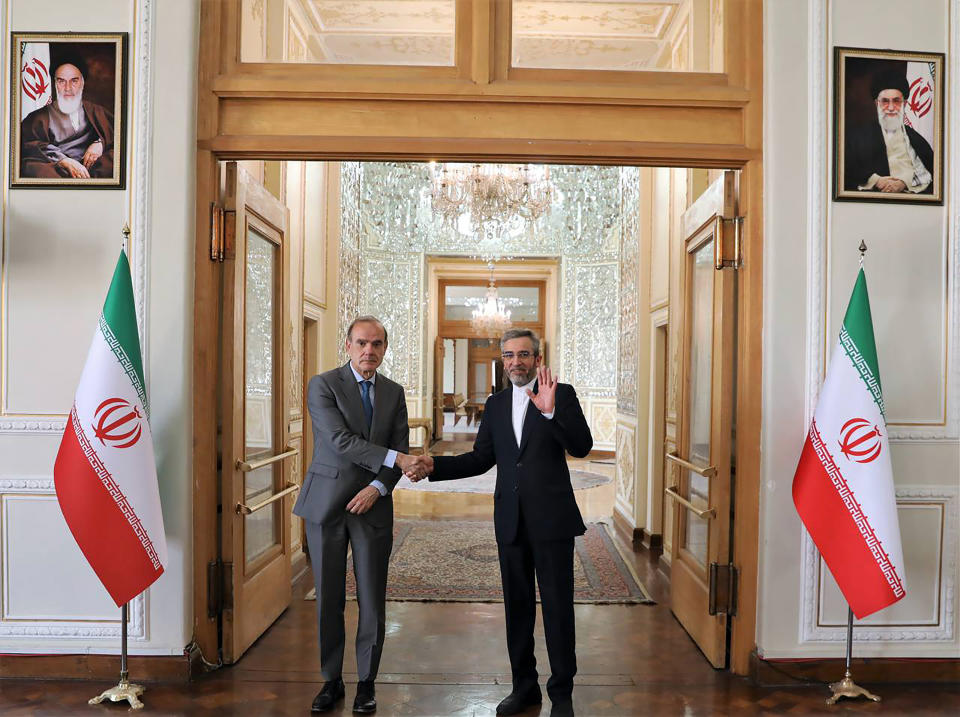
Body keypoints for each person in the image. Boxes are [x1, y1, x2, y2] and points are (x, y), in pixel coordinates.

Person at [408, 328, 592, 717]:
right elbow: (480, 459)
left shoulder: (563, 394)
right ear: (502, 360)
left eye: (524, 354)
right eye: (508, 355)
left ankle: (562, 695)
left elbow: (581, 446)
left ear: (537, 360)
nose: (515, 362)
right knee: (518, 608)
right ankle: (523, 687)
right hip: (510, 521)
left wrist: (550, 411)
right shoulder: (495, 404)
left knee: (558, 609)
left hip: (553, 521)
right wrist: (433, 466)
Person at [293, 316, 428, 714]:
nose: (369, 351)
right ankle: (331, 680)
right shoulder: (323, 385)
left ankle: (366, 683)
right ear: (348, 345)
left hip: (373, 505)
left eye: (377, 344)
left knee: (372, 597)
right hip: (327, 503)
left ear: (385, 348)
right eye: (362, 343)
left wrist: (379, 487)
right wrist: (399, 458)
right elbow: (339, 440)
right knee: (329, 598)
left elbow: (398, 441)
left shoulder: (394, 392)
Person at [19, 59, 114, 179]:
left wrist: (99, 143)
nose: (67, 88)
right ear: (55, 84)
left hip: (92, 167)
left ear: (82, 84)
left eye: (74, 81)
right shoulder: (37, 117)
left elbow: (120, 134)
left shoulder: (96, 111)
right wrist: (63, 160)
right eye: (61, 81)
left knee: (115, 159)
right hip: (57, 168)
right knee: (34, 169)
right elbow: (29, 145)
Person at [844, 71, 933, 194]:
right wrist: (876, 181)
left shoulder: (916, 139)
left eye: (896, 101)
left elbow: (930, 175)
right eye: (885, 101)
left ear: (905, 104)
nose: (891, 108)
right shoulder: (856, 137)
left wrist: (904, 183)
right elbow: (845, 170)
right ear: (877, 104)